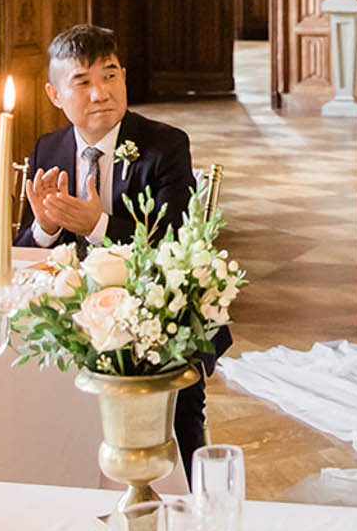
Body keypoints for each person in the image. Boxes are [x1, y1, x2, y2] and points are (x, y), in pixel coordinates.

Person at [15, 23, 218, 476]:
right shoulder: (48, 148)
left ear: (124, 77)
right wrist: (45, 227)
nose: (99, 92)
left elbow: (174, 245)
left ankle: (189, 491)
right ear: (54, 94)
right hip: (77, 319)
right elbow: (25, 253)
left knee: (178, 404)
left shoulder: (165, 145)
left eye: (109, 76)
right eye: (82, 82)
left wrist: (99, 227)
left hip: (156, 314)